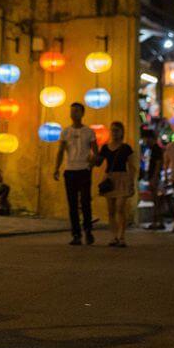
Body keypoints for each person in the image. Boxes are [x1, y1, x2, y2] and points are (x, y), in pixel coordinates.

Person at [53, 102, 97, 246]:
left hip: (84, 170)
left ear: (82, 113)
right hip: (70, 170)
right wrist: (57, 168)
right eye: (72, 111)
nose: (74, 114)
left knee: (85, 202)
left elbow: (95, 152)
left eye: (77, 111)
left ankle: (88, 230)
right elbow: (60, 151)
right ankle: (76, 234)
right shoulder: (65, 132)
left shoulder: (89, 132)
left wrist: (91, 164)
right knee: (72, 204)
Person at [93, 121, 136, 247]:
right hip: (109, 179)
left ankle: (122, 237)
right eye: (112, 130)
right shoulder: (105, 147)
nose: (114, 132)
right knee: (111, 210)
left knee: (120, 208)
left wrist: (131, 181)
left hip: (122, 177)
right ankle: (113, 236)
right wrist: (93, 156)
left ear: (122, 132)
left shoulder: (126, 148)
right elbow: (98, 163)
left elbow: (132, 166)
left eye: (117, 130)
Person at [142, 128, 165, 229]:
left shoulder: (156, 149)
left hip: (155, 178)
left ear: (150, 139)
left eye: (146, 139)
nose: (145, 142)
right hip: (154, 177)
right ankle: (158, 222)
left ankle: (157, 222)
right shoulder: (153, 149)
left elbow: (158, 163)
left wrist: (154, 178)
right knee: (156, 201)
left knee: (157, 201)